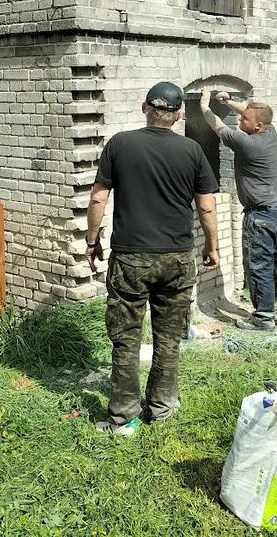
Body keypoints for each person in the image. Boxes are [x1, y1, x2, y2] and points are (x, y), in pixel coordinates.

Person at [86, 81, 220, 437]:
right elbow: (206, 205)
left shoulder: (119, 144)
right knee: (169, 337)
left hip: (131, 260)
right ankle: (161, 409)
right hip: (177, 259)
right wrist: (212, 246)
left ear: (144, 108)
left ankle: (123, 419)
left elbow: (98, 199)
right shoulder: (192, 150)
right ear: (178, 116)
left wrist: (92, 241)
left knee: (126, 338)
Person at [199, 88, 277, 332]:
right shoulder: (271, 133)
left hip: (261, 216)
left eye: (245, 120)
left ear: (258, 126)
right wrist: (230, 101)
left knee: (259, 266)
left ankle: (263, 319)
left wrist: (205, 104)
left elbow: (216, 125)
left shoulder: (245, 143)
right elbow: (251, 110)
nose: (240, 120)